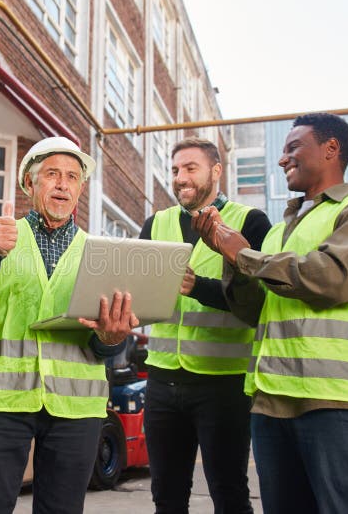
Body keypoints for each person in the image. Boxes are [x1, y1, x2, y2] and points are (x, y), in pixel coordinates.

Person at [193, 113, 348, 514]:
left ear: (330, 150)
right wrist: (231, 261)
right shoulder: (277, 231)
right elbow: (255, 310)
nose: (282, 159)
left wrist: (245, 255)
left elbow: (333, 279)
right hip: (273, 404)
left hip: (341, 403)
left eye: (293, 148)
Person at [0, 136, 138, 514]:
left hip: (75, 410)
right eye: (52, 174)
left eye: (72, 177)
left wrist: (112, 340)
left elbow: (105, 345)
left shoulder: (102, 254)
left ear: (80, 188)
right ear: (29, 184)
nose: (63, 183)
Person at [139, 136, 271, 513]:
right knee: (166, 496)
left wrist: (199, 287)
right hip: (163, 381)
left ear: (216, 171)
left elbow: (260, 302)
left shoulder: (251, 222)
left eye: (190, 168)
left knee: (229, 493)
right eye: (176, 170)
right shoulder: (157, 223)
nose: (181, 178)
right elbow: (141, 295)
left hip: (223, 384)